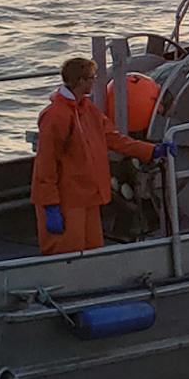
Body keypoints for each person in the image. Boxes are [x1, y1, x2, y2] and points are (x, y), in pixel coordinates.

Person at [31, 57, 173, 256]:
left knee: (93, 252)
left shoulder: (87, 110)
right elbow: (46, 164)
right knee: (66, 253)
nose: (95, 81)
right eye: (92, 77)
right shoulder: (56, 116)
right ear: (81, 81)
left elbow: (114, 139)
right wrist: (50, 204)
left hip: (87, 196)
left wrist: (151, 150)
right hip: (66, 199)